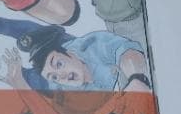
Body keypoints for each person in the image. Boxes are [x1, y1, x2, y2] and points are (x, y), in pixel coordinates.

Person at [18, 24, 150, 92]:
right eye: (54, 77)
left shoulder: (91, 44)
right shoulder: (60, 89)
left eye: (59, 64)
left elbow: (127, 51)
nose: (62, 76)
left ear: (70, 53)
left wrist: (137, 79)